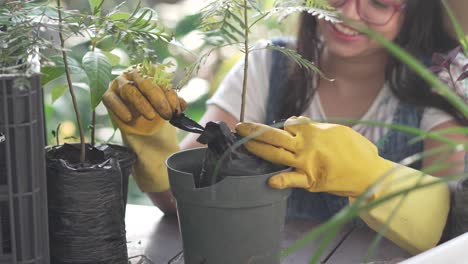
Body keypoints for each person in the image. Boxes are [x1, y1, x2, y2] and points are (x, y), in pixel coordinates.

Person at [102, 0, 468, 255]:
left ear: (413, 11)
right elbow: (182, 204)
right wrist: (150, 142)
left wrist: (371, 178)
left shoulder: (436, 85)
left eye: (379, 3)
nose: (350, 13)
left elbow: (452, 238)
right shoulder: (266, 66)